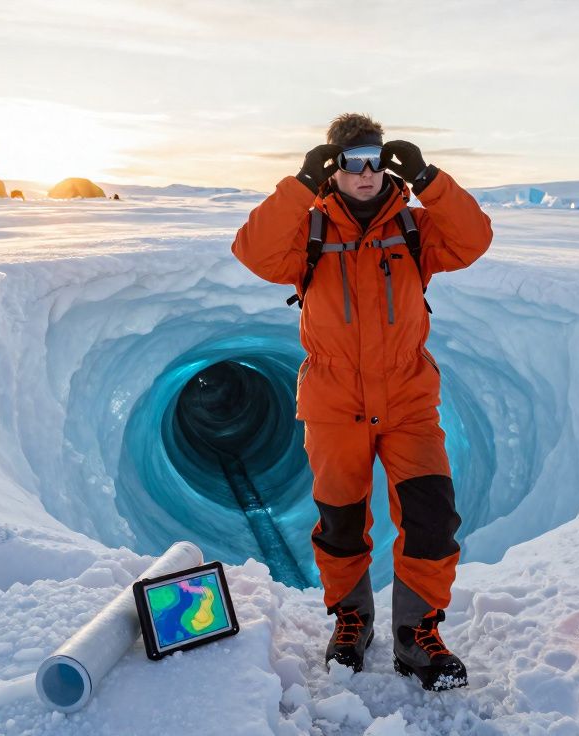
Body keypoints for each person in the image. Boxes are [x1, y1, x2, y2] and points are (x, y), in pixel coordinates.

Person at [231, 113, 492, 691]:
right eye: (352, 161)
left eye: (375, 158)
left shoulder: (413, 228)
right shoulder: (313, 231)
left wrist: (429, 177)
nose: (366, 172)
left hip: (407, 399)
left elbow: (474, 239)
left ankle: (417, 635)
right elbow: (252, 250)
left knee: (431, 518)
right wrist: (299, 185)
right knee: (341, 523)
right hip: (333, 402)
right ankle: (351, 621)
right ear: (334, 166)